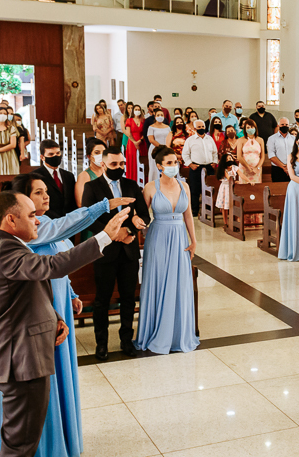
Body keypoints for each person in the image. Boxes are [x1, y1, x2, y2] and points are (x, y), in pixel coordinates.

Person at [0, 190, 131, 457]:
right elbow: (52, 266)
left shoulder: (6, 244)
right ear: (10, 219)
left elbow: (30, 288)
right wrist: (104, 237)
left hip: (25, 348)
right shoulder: (4, 250)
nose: (38, 220)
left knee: (26, 433)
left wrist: (55, 318)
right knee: (19, 439)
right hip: (19, 356)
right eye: (31, 214)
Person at [0, 174, 132, 457]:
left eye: (46, 191)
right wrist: (102, 214)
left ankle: (61, 440)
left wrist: (70, 294)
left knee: (57, 374)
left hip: (54, 309)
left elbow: (60, 258)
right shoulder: (27, 234)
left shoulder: (40, 225)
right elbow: (56, 258)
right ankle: (43, 447)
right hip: (35, 314)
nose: (45, 197)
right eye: (37, 193)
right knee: (43, 381)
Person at [82, 147, 150, 360]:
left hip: (129, 249)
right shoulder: (92, 187)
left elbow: (144, 215)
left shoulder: (131, 185)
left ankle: (126, 340)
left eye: (122, 164)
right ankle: (101, 343)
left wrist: (129, 230)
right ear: (103, 164)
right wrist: (113, 234)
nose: (119, 167)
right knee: (102, 299)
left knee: (128, 298)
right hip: (105, 250)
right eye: (114, 164)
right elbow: (89, 218)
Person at [135, 147, 199, 355]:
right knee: (159, 281)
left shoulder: (184, 185)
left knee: (179, 283)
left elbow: (188, 214)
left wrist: (194, 240)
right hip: (158, 238)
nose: (174, 166)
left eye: (176, 162)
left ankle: (178, 334)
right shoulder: (150, 187)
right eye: (169, 163)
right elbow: (142, 215)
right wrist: (137, 223)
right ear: (160, 166)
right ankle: (157, 332)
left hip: (180, 237)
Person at [32, 140, 77, 219]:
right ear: (42, 157)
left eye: (58, 153)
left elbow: (72, 201)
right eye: (51, 154)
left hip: (69, 220)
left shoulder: (69, 176)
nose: (55, 156)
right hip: (47, 219)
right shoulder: (35, 176)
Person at [182, 119, 218, 216]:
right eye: (199, 127)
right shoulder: (190, 140)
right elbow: (185, 154)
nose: (201, 128)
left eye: (202, 127)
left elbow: (215, 152)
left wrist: (214, 162)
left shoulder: (209, 139)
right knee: (195, 190)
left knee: (210, 189)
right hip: (196, 167)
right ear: (194, 128)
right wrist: (190, 164)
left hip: (209, 167)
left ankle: (209, 210)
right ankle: (194, 210)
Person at [75, 137, 106, 207]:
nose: (101, 155)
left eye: (104, 152)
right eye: (97, 153)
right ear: (89, 156)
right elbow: (81, 203)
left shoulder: (108, 172)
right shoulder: (84, 176)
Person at [0, 108, 19, 176]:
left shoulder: (11, 128)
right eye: (0, 113)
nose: (2, 115)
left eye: (5, 114)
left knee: (10, 174)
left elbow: (13, 145)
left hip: (9, 155)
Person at [146, 110, 172, 182]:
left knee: (165, 166)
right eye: (158, 115)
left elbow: (170, 137)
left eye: (161, 115)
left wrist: (167, 147)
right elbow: (151, 140)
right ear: (155, 117)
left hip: (166, 148)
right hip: (155, 148)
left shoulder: (167, 127)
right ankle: (154, 183)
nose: (160, 116)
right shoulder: (151, 127)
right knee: (154, 167)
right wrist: (161, 147)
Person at [237, 119, 266, 184]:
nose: (250, 129)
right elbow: (239, 156)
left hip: (256, 169)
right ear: (245, 129)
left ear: (255, 128)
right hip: (244, 168)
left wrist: (257, 168)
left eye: (252, 127)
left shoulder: (260, 140)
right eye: (248, 127)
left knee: (256, 187)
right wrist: (248, 167)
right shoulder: (241, 140)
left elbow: (262, 157)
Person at [267, 117, 295, 183]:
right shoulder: (272, 139)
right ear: (278, 126)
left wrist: (289, 166)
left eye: (286, 124)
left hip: (292, 168)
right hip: (277, 169)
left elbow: (296, 153)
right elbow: (271, 155)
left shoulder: (293, 138)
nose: (284, 126)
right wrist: (284, 167)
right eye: (282, 124)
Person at [122, 105, 144, 180]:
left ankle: (140, 179)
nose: (137, 111)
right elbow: (128, 133)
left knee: (140, 160)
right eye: (136, 109)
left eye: (138, 109)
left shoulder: (143, 120)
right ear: (133, 111)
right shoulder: (129, 120)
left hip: (141, 142)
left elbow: (144, 133)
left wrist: (140, 141)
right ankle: (132, 178)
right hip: (132, 142)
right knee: (132, 160)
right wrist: (135, 142)